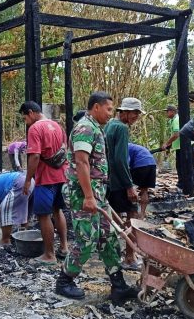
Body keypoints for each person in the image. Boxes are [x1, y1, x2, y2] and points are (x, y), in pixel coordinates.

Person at [55, 91, 138, 303]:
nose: (111, 114)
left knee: (108, 238)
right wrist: (89, 197)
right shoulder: (85, 128)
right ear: (96, 107)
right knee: (87, 239)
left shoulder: (95, 128)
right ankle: (64, 281)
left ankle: (118, 285)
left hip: (96, 193)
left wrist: (99, 198)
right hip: (83, 194)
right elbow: (82, 163)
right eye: (109, 109)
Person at [19, 101, 69, 265]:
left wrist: (28, 180)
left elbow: (34, 156)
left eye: (25, 117)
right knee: (57, 210)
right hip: (61, 175)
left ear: (31, 112)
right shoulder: (57, 126)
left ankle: (49, 254)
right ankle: (64, 247)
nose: (25, 121)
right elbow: (64, 150)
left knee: (43, 215)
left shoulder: (35, 129)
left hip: (45, 178)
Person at [105, 97, 144, 270]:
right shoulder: (121, 128)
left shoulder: (109, 125)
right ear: (125, 112)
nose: (136, 116)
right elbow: (120, 159)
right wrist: (129, 185)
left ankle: (112, 256)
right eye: (134, 113)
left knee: (111, 217)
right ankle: (129, 257)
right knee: (133, 215)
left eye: (138, 113)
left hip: (108, 179)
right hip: (118, 180)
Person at [128, 143, 156, 217]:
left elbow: (126, 163)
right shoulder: (133, 146)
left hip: (140, 164)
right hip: (152, 163)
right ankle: (142, 214)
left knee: (132, 190)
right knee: (144, 190)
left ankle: (134, 214)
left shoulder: (123, 147)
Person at [160, 104, 180, 170]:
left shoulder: (176, 120)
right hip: (179, 146)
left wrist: (166, 143)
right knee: (180, 166)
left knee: (181, 167)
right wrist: (169, 145)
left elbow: (176, 135)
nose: (166, 113)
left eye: (167, 111)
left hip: (183, 147)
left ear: (172, 111)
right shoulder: (172, 120)